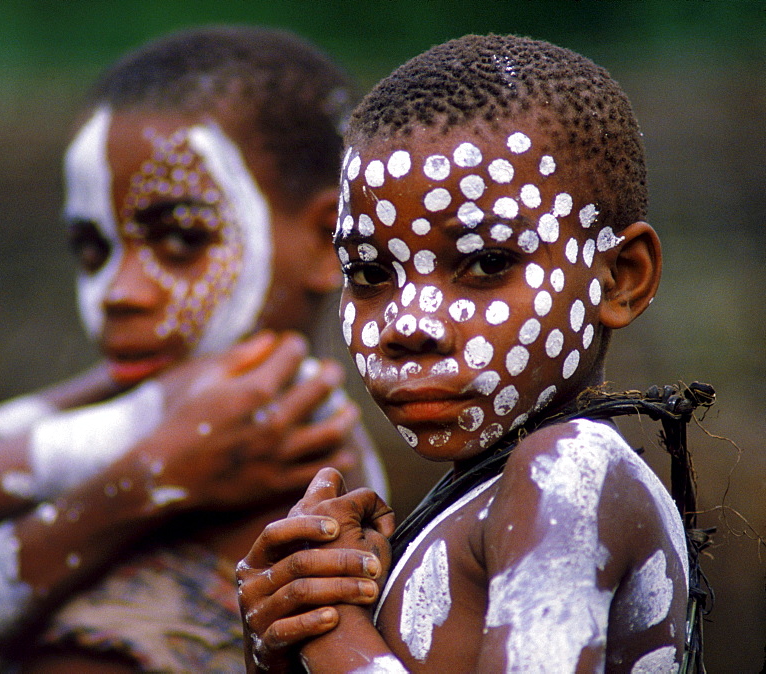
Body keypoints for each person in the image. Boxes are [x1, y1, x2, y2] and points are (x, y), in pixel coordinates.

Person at [0, 26, 386, 672]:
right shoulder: (156, 420)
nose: (118, 291)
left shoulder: (307, 465)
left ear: (322, 240)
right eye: (94, 248)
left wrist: (147, 466)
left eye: (180, 239)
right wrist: (154, 461)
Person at [237, 34, 700, 672]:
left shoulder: (567, 472)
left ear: (621, 278)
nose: (409, 325)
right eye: (371, 273)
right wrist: (279, 640)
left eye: (486, 263)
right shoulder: (485, 495)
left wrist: (334, 635)